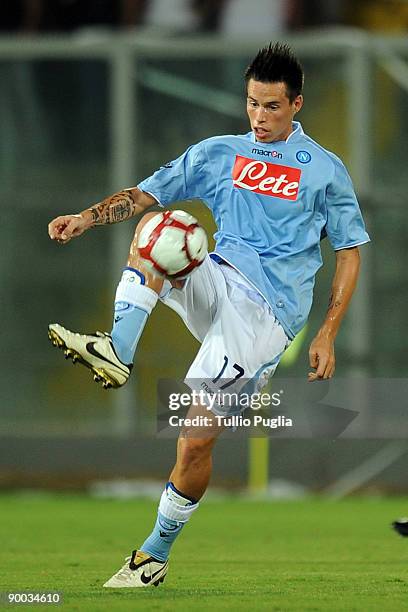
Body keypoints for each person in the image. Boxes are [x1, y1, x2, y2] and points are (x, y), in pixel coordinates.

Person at [47, 43, 370, 588]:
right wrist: (85, 218)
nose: (259, 117)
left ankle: (152, 556)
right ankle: (117, 351)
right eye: (252, 104)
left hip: (266, 314)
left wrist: (328, 332)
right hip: (218, 279)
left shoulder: (324, 171)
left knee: (195, 437)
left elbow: (350, 250)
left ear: (297, 104)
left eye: (271, 106)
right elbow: (145, 195)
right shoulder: (219, 152)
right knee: (161, 231)